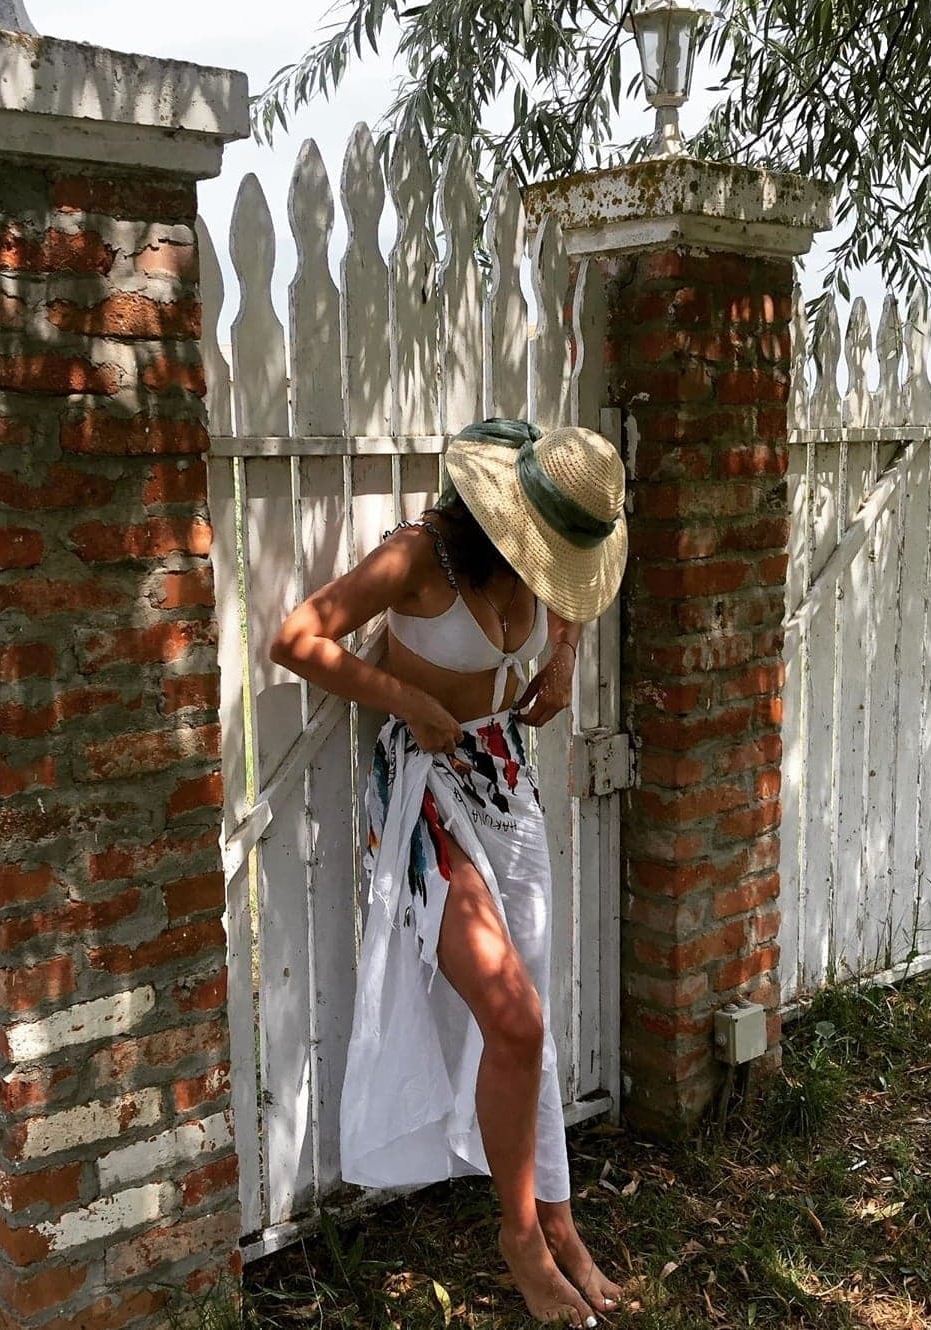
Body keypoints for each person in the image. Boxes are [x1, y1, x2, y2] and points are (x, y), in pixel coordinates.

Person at [269, 418, 628, 1325]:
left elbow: (576, 598)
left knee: (531, 1020)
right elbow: (297, 638)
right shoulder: (416, 557)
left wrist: (564, 657)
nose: (553, 576)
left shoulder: (542, 566)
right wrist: (406, 697)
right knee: (514, 1017)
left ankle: (559, 1217)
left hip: (506, 781)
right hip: (425, 792)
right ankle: (521, 1239)